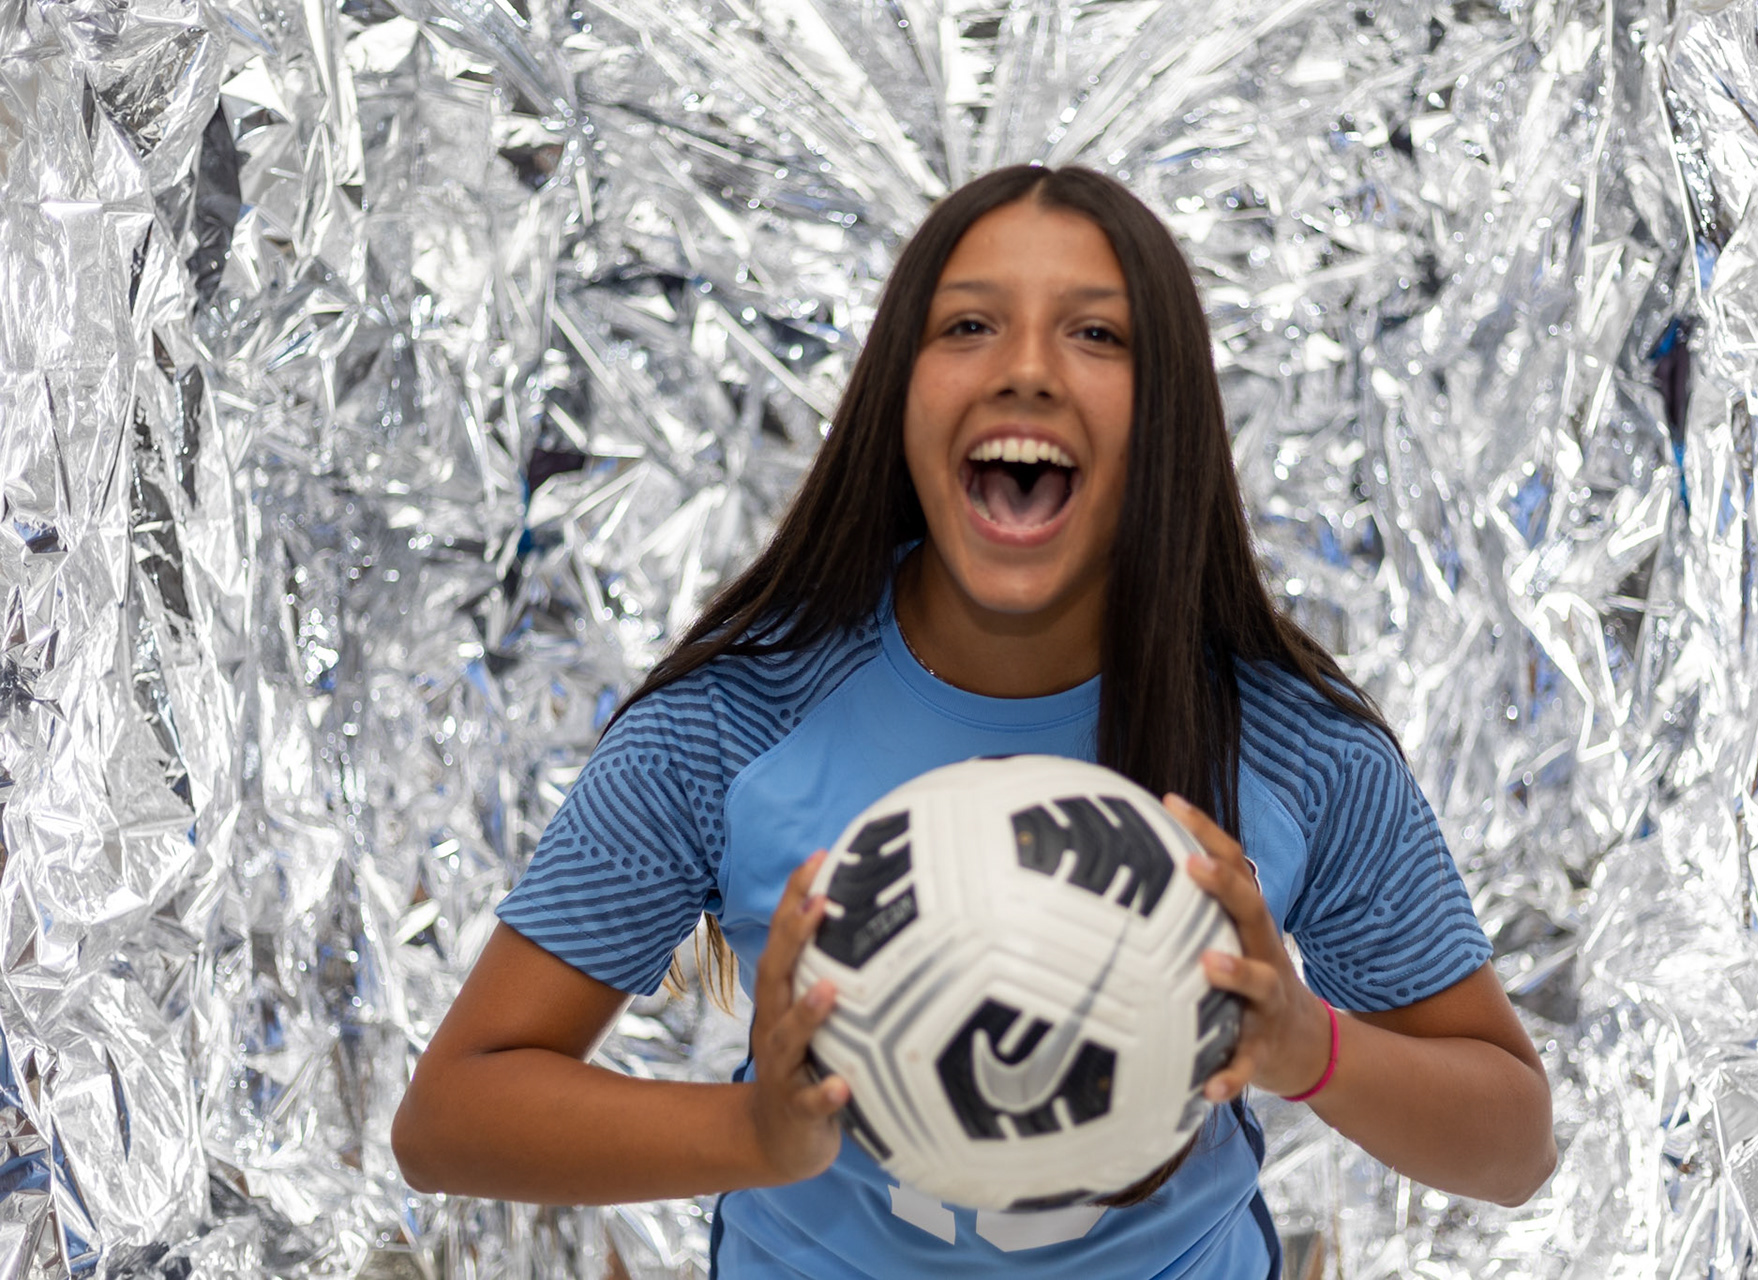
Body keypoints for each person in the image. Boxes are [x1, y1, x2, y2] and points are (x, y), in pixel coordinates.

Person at [390, 164, 1557, 1278]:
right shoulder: (731, 725)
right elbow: (451, 1115)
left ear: (1169, 417)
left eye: (1098, 333)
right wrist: (753, 1130)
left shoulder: (1292, 748)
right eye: (968, 326)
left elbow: (1511, 1145)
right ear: (898, 394)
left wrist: (1310, 1042)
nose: (1029, 370)